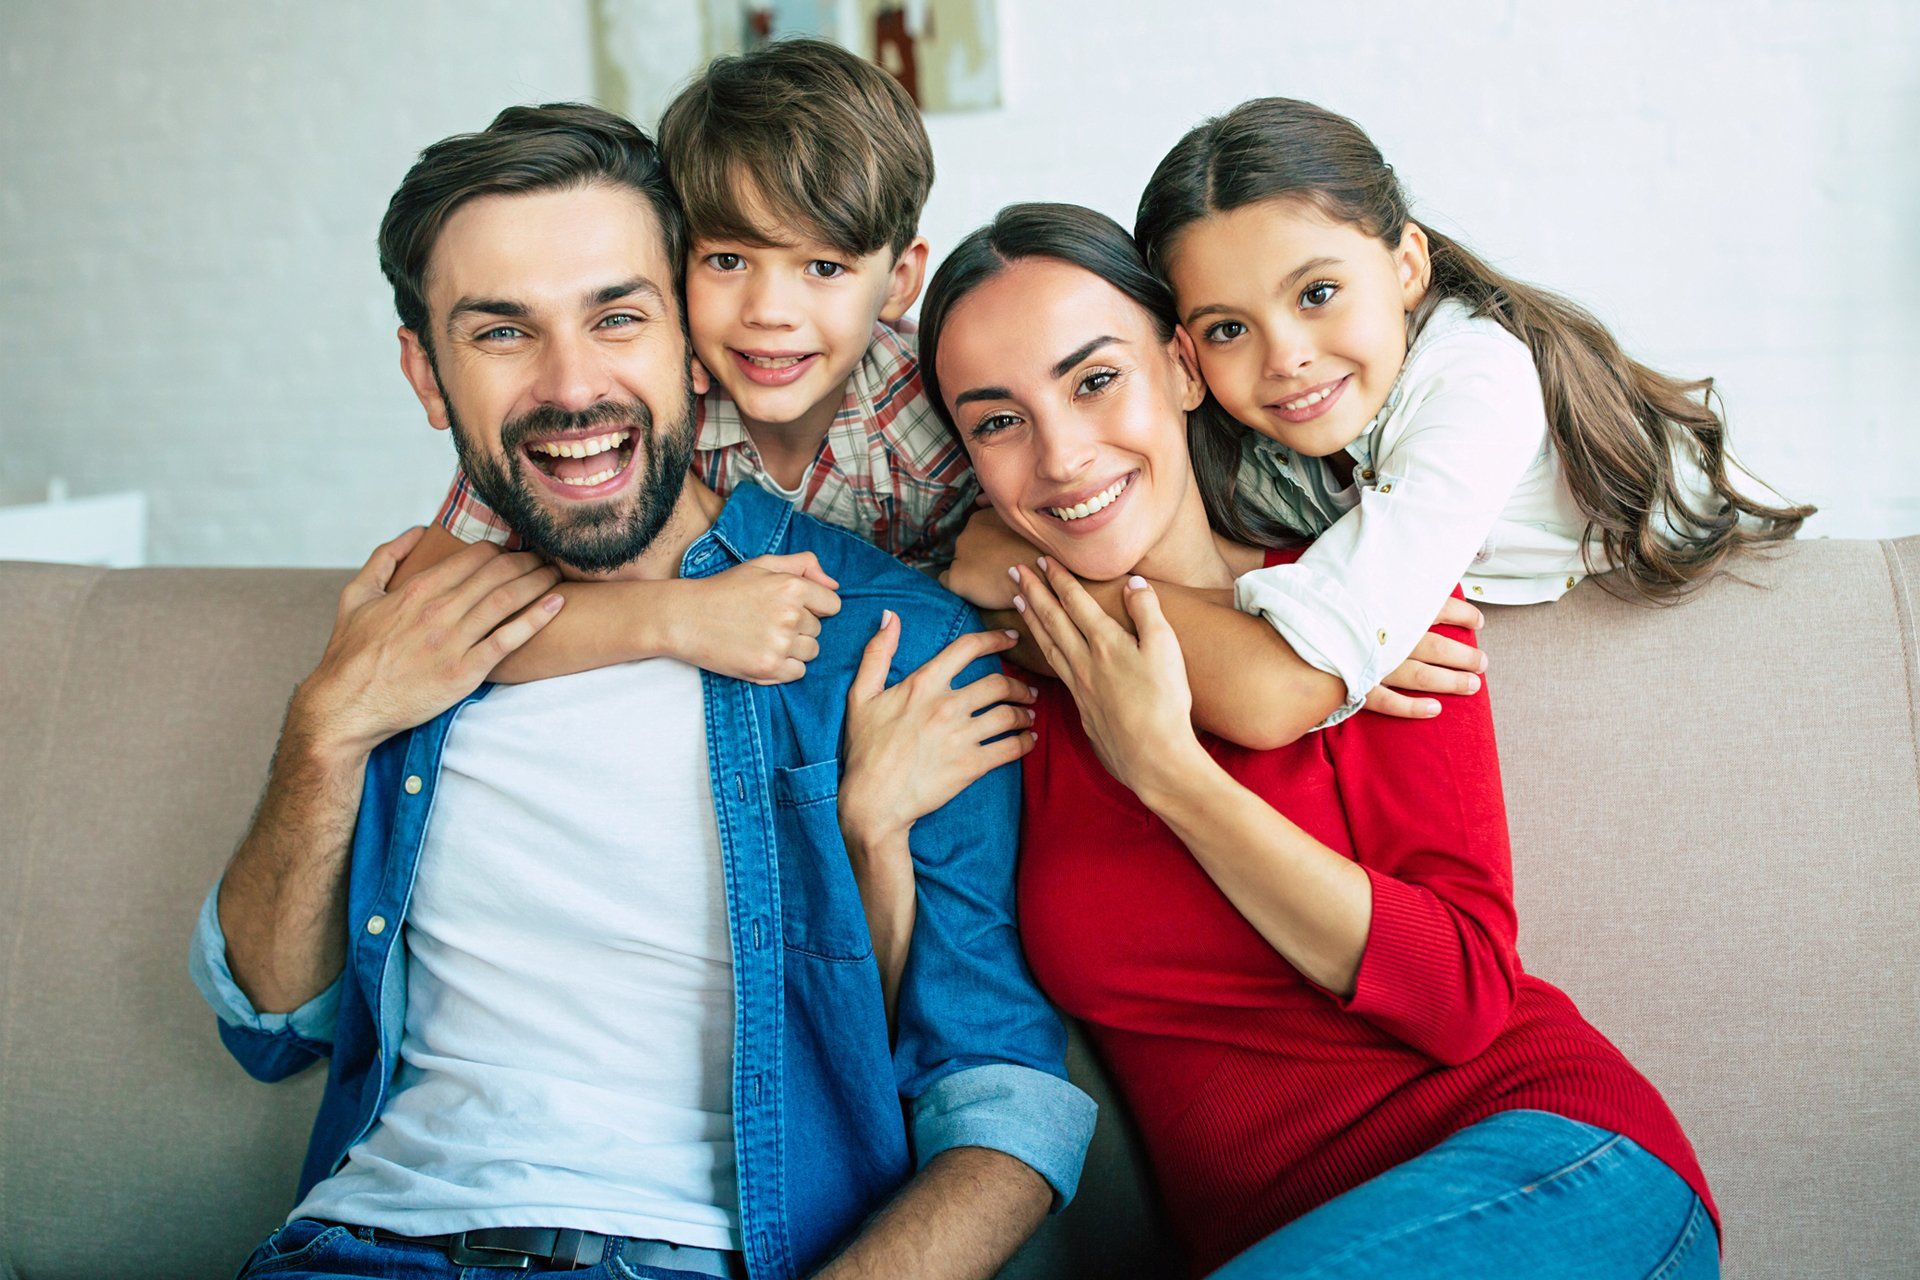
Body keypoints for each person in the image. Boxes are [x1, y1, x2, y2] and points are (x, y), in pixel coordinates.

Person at [188, 106, 1093, 1280]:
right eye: (503, 332)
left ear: (685, 336)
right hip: (358, 1250)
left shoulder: (894, 641)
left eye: (616, 316)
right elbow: (269, 1025)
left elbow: (1006, 1102)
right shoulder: (417, 632)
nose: (574, 387)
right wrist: (324, 729)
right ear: (427, 372)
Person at [852, 202, 1720, 1279]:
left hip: (1552, 1166)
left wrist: (1170, 771)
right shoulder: (998, 676)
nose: (1063, 455)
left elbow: (1463, 994)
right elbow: (928, 1038)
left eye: (1093, 380)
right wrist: (869, 833)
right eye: (998, 421)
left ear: (1178, 366)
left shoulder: (1359, 609)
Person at [399, 38, 973, 691]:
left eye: (824, 267)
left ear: (899, 282)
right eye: (727, 261)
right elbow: (432, 616)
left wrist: (995, 560)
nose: (770, 311)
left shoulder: (935, 401)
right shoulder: (623, 404)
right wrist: (671, 617)